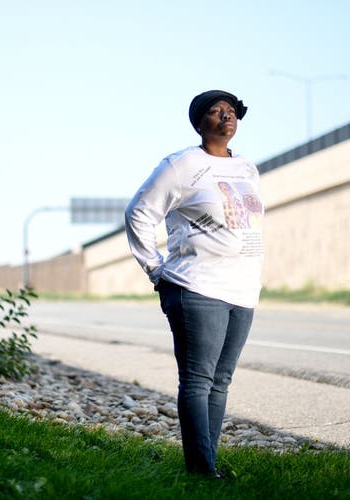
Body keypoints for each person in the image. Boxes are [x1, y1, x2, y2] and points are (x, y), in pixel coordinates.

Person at [124, 90, 264, 478]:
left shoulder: (247, 169)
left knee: (220, 383)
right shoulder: (182, 164)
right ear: (199, 122)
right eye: (216, 111)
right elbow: (138, 213)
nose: (226, 116)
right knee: (198, 382)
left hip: (243, 289)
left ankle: (208, 464)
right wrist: (155, 270)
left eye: (231, 111)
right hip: (196, 286)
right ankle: (201, 471)